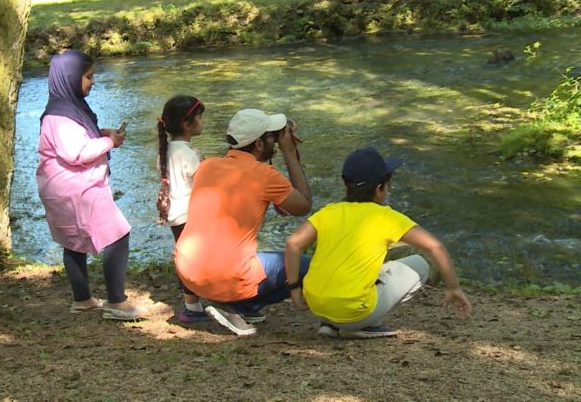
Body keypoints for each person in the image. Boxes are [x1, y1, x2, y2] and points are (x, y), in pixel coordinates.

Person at [284, 147, 473, 339]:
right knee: (420, 265)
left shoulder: (329, 212)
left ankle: (330, 324)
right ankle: (364, 324)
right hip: (352, 312)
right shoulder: (385, 217)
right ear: (379, 189)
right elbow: (435, 246)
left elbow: (293, 243)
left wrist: (294, 289)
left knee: (360, 267)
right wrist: (453, 288)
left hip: (316, 305)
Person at [173, 108, 312, 336]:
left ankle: (242, 306)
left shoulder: (207, 166)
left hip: (188, 270)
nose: (276, 143)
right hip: (226, 276)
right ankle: (235, 307)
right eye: (272, 138)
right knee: (308, 265)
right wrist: (289, 152)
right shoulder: (266, 175)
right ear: (259, 144)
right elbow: (303, 205)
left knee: (248, 257)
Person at [36, 50, 144, 321]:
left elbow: (80, 137)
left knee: (73, 243)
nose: (93, 82)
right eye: (88, 76)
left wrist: (102, 132)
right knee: (117, 234)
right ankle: (116, 303)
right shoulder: (60, 116)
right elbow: (77, 153)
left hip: (66, 190)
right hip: (77, 190)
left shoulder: (67, 107)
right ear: (70, 78)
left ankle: (83, 300)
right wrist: (110, 142)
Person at [155, 95, 208, 323]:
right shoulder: (188, 154)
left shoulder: (166, 150)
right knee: (195, 259)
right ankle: (195, 306)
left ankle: (192, 304)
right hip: (190, 215)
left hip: (175, 214)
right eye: (200, 118)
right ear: (187, 124)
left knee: (186, 256)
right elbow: (203, 184)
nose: (202, 122)